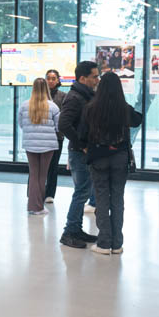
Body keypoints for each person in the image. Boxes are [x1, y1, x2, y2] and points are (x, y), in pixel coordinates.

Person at [77, 72, 143, 255]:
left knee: (102, 199)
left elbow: (81, 134)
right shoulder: (124, 108)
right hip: (120, 157)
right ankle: (117, 243)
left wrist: (85, 147)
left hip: (98, 156)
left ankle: (104, 243)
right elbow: (138, 119)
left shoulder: (91, 108)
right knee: (117, 199)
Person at [58, 61, 100, 248]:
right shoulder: (75, 97)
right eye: (94, 77)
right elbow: (64, 124)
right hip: (79, 153)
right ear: (83, 78)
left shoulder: (86, 95)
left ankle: (76, 229)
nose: (97, 80)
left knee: (83, 192)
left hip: (85, 151)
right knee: (81, 192)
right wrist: (81, 144)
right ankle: (69, 232)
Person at [18, 77, 60, 215]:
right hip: (48, 145)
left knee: (34, 174)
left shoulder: (24, 105)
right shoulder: (53, 106)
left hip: (30, 144)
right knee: (43, 175)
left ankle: (33, 205)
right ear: (46, 88)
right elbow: (59, 126)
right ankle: (38, 206)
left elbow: (21, 124)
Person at [44, 69, 66, 203]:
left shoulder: (63, 96)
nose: (51, 81)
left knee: (53, 166)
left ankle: (50, 194)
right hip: (41, 136)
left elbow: (64, 117)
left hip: (56, 136)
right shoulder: (40, 95)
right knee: (40, 166)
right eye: (48, 78)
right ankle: (36, 192)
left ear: (58, 80)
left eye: (53, 78)